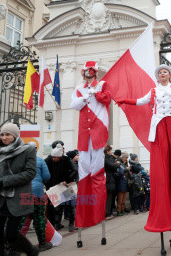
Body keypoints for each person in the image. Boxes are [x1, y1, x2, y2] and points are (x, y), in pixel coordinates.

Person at [117, 64, 171, 251]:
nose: (162, 74)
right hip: (158, 127)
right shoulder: (152, 91)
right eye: (159, 72)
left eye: (165, 72)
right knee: (161, 165)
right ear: (157, 77)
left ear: (170, 75)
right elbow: (141, 101)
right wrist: (125, 100)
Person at [0, 123, 39, 256]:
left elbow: (30, 173)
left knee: (11, 233)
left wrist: (4, 181)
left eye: (8, 134)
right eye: (2, 134)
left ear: (15, 136)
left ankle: (31, 251)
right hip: (1, 198)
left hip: (19, 197)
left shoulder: (28, 150)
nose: (4, 137)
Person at [70, 61, 112, 229]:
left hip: (98, 129)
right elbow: (74, 105)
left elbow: (108, 99)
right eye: (87, 70)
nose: (89, 73)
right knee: (84, 169)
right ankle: (85, 214)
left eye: (92, 70)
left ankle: (97, 212)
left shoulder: (102, 84)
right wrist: (85, 96)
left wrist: (96, 93)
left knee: (97, 171)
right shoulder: (78, 88)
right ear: (84, 72)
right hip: (84, 132)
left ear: (95, 72)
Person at [19, 142, 52, 251]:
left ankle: (14, 246)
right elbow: (47, 177)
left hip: (23, 194)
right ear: (36, 150)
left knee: (20, 220)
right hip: (37, 193)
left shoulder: (20, 162)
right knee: (39, 218)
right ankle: (42, 244)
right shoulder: (40, 161)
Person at [45, 144, 77, 231]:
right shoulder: (49, 160)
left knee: (70, 206)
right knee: (58, 207)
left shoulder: (67, 160)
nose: (54, 159)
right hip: (56, 186)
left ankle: (71, 224)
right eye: (53, 157)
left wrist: (67, 180)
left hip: (66, 186)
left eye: (56, 157)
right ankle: (57, 224)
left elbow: (75, 170)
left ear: (60, 156)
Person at [104, 145, 119, 217]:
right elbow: (112, 166)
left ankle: (108, 212)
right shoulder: (106, 158)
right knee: (108, 198)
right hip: (108, 180)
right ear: (107, 151)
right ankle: (107, 213)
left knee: (110, 197)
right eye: (110, 150)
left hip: (110, 179)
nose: (111, 152)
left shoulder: (109, 158)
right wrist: (117, 164)